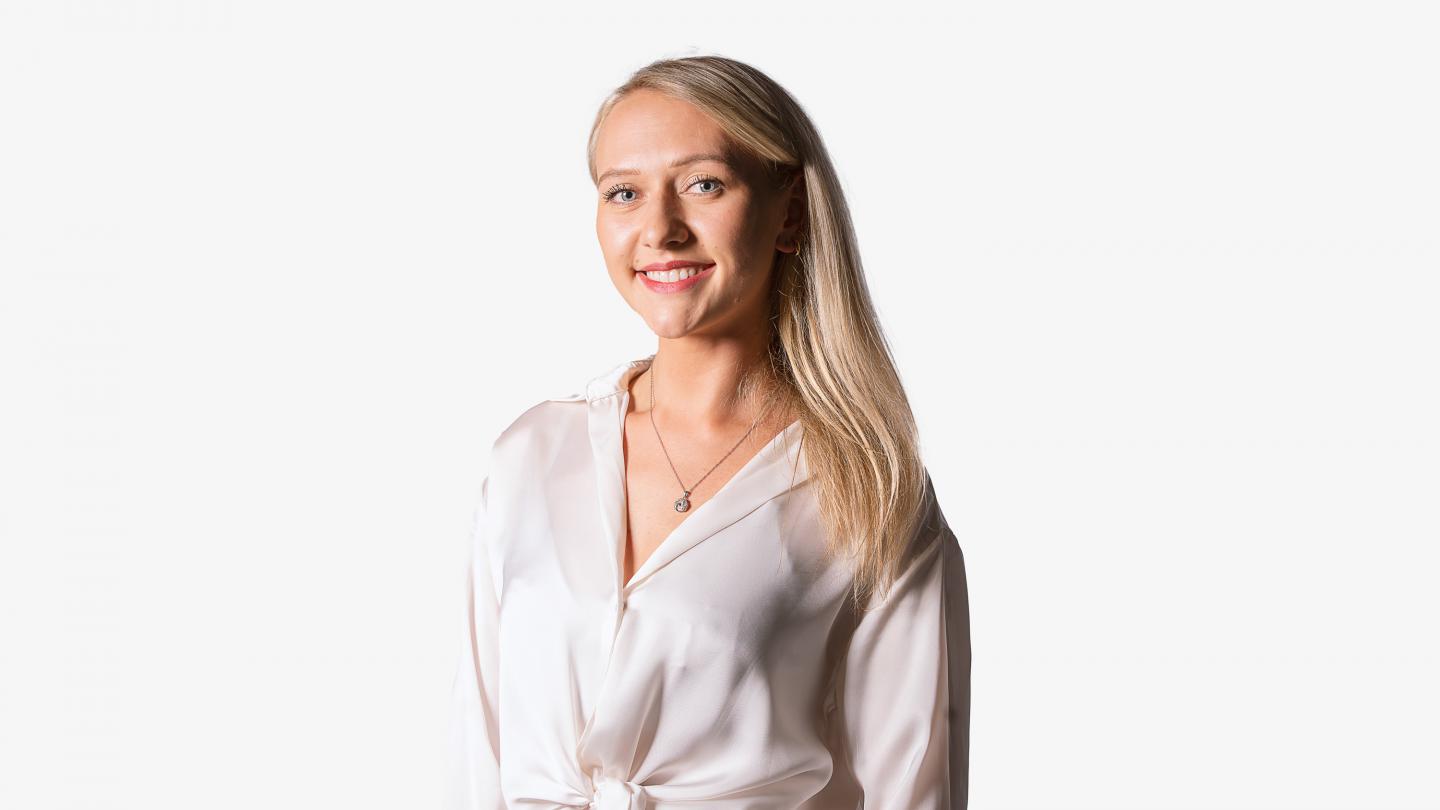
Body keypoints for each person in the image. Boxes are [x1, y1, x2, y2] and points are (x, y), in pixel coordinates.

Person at [448, 54, 971, 810]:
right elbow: (480, 753)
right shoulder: (532, 455)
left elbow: (913, 788)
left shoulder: (867, 487)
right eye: (623, 192)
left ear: (789, 212)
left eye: (703, 185)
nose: (660, 229)